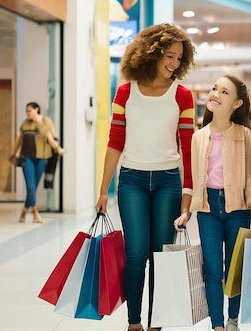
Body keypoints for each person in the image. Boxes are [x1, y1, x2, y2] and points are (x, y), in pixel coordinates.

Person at [94, 23, 196, 331]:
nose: (174, 63)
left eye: (180, 58)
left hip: (168, 182)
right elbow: (115, 141)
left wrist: (188, 195)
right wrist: (103, 191)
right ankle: (135, 322)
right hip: (132, 181)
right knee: (136, 253)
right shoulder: (126, 92)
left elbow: (189, 148)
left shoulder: (183, 95)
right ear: (151, 53)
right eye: (169, 55)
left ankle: (157, 323)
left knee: (160, 255)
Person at [181, 75, 251, 331]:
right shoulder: (198, 137)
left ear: (237, 104)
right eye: (215, 88)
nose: (215, 93)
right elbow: (192, 178)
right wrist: (185, 211)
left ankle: (233, 320)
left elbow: (250, 180)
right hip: (208, 210)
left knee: (235, 267)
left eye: (224, 92)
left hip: (237, 207)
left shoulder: (246, 135)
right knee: (212, 269)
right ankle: (217, 324)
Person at [10, 102, 64, 223]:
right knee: (30, 186)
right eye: (26, 111)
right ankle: (35, 213)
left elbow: (50, 138)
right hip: (26, 158)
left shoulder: (45, 122)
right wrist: (13, 154)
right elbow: (19, 140)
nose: (27, 113)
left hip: (41, 158)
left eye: (29, 110)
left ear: (36, 110)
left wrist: (58, 148)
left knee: (33, 188)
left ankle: (24, 211)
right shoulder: (25, 124)